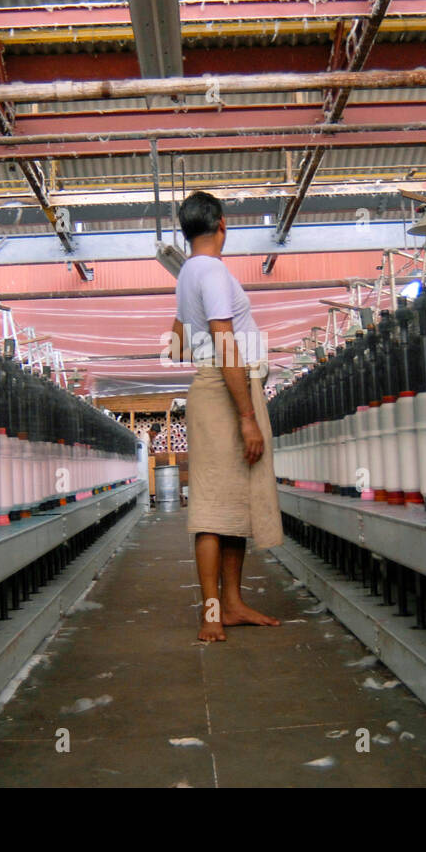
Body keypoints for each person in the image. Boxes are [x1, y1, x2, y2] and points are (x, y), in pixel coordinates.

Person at [166, 191, 283, 643]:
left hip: (218, 387)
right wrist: (247, 416)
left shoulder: (187, 275)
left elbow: (177, 348)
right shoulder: (211, 271)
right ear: (222, 225)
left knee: (234, 506)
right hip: (225, 392)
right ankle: (211, 614)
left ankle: (231, 605)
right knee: (214, 510)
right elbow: (225, 343)